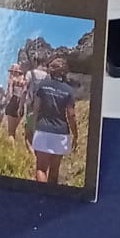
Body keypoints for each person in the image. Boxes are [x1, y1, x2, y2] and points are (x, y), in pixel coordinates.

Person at [27, 57, 78, 185]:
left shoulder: (42, 86)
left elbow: (35, 109)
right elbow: (71, 115)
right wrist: (75, 135)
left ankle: (41, 195)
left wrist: (31, 128)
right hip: (61, 132)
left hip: (43, 129)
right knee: (54, 170)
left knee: (41, 168)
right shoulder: (68, 90)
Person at [3, 63, 29, 143]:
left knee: (10, 132)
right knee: (15, 129)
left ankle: (11, 148)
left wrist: (5, 101)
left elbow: (10, 93)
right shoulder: (24, 81)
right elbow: (25, 93)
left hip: (13, 102)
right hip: (21, 104)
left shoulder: (12, 80)